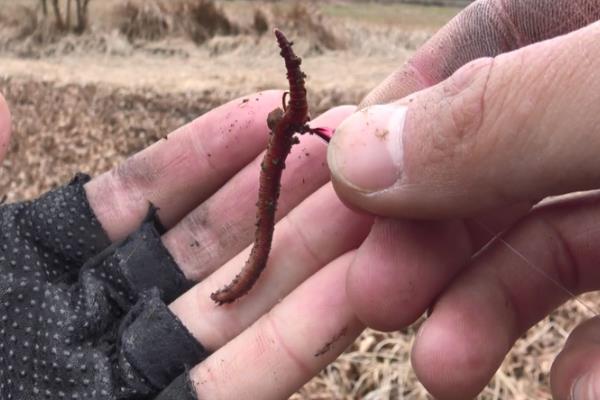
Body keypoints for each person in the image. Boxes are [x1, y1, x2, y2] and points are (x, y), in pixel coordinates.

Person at [0, 0, 598, 399]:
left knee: (281, 239)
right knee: (266, 241)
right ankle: (235, 285)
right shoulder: (287, 126)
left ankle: (238, 284)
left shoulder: (292, 126)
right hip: (273, 204)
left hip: (297, 178)